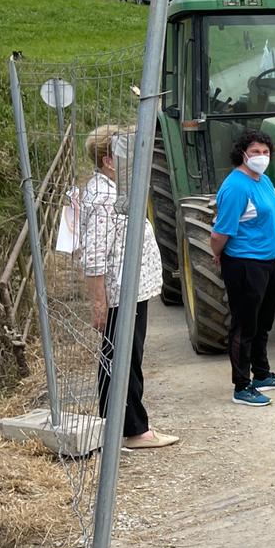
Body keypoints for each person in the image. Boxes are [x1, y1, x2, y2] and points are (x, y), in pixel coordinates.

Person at [81, 126, 178, 450]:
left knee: (122, 357)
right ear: (110, 160)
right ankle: (133, 430)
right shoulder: (105, 198)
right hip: (120, 292)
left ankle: (119, 427)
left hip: (129, 289)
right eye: (127, 154)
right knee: (123, 358)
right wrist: (99, 302)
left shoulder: (112, 191)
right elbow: (94, 255)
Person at [211, 130, 275, 407]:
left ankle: (261, 374)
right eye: (256, 152)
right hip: (245, 262)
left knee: (263, 322)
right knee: (244, 325)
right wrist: (218, 254)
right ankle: (241, 385)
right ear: (243, 154)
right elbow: (220, 231)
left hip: (268, 261)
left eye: (265, 152)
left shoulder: (264, 180)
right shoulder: (236, 186)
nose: (262, 157)